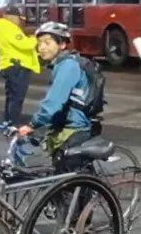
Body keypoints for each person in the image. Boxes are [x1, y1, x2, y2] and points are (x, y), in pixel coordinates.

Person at [16, 22, 93, 174]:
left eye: (47, 42)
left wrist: (32, 124)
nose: (42, 48)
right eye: (39, 44)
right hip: (67, 127)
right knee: (63, 182)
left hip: (74, 130)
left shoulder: (68, 66)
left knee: (66, 185)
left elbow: (54, 103)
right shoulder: (62, 64)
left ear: (62, 44)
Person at [0, 6, 39, 124]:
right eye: (19, 18)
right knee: (17, 97)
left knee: (11, 96)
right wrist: (34, 39)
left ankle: (8, 121)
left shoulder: (1, 29)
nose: (20, 21)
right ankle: (13, 123)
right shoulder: (10, 29)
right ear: (13, 17)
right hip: (17, 67)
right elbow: (25, 44)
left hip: (9, 65)